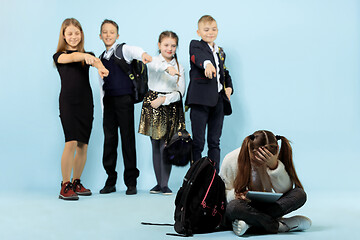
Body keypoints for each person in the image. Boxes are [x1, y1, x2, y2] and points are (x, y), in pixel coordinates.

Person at [53, 18, 109, 200]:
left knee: (83, 145)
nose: (74, 36)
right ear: (63, 35)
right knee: (70, 141)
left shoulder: (89, 55)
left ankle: (76, 182)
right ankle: (65, 185)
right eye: (69, 33)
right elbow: (73, 57)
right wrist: (85, 56)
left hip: (86, 103)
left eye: (77, 33)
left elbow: (96, 61)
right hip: (68, 103)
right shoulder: (59, 56)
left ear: (81, 34)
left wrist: (101, 67)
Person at [219, 130, 312, 236]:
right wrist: (236, 195)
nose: (260, 161)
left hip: (264, 207)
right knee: (233, 207)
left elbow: (285, 191)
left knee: (300, 194)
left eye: (265, 158)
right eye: (256, 156)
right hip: (243, 206)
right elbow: (222, 195)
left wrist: (274, 166)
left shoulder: (273, 160)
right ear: (248, 148)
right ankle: (281, 226)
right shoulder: (231, 159)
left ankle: (250, 224)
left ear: (276, 150)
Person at [98, 19, 152, 195]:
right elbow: (101, 87)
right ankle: (110, 180)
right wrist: (103, 108)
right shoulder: (100, 59)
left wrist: (143, 54)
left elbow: (135, 51)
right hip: (109, 102)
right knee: (109, 141)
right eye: (105, 32)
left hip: (124, 101)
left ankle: (131, 182)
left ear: (117, 35)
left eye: (111, 32)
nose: (108, 35)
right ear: (100, 36)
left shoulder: (123, 50)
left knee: (127, 139)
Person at [138, 31, 186, 195]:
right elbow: (155, 66)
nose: (170, 49)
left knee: (167, 146)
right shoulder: (153, 60)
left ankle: (165, 184)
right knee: (155, 145)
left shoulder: (180, 67)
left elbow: (180, 92)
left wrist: (164, 100)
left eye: (173, 46)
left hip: (169, 106)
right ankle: (159, 184)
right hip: (153, 103)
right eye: (166, 45)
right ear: (159, 45)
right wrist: (168, 68)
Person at [185, 15, 233, 172]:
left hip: (218, 100)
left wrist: (229, 87)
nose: (210, 32)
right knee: (198, 142)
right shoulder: (195, 46)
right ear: (198, 32)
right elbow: (200, 58)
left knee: (214, 142)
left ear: (218, 31)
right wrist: (207, 65)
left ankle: (214, 177)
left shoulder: (220, 51)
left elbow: (224, 72)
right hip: (200, 101)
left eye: (213, 29)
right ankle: (195, 176)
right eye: (206, 30)